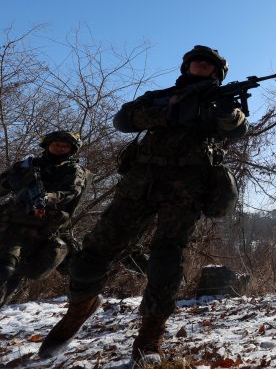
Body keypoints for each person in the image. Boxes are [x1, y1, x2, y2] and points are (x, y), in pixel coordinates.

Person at [39, 45, 248, 366]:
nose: (201, 66)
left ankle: (150, 337)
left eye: (208, 64)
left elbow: (238, 129)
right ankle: (80, 308)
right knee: (93, 253)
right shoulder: (160, 97)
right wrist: (165, 113)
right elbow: (123, 120)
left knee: (167, 260)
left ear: (217, 72)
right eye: (196, 62)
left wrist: (228, 116)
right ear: (186, 67)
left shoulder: (222, 102)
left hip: (186, 189)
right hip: (140, 183)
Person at [0, 131, 89, 307]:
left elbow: (71, 192)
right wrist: (13, 182)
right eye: (56, 145)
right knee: (5, 269)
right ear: (47, 145)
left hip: (41, 230)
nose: (60, 148)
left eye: (65, 146)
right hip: (10, 225)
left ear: (72, 149)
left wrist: (48, 197)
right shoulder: (26, 166)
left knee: (13, 273)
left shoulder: (73, 170)